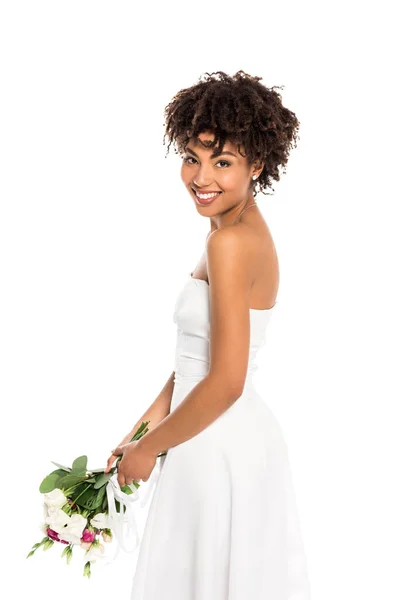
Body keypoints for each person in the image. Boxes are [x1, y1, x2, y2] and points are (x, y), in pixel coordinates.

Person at [104, 70, 311, 599]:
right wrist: (138, 434)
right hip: (204, 433)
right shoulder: (226, 230)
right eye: (193, 158)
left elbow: (226, 381)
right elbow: (191, 361)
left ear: (257, 164)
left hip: (218, 441)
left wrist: (150, 449)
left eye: (223, 162)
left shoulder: (232, 243)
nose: (202, 177)